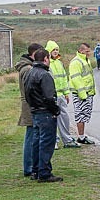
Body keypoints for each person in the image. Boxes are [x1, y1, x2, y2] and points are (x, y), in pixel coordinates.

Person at [23, 49, 63, 183]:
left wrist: (33, 107)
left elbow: (27, 94)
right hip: (45, 112)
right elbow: (49, 97)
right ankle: (44, 172)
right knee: (46, 143)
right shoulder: (44, 75)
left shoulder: (30, 73)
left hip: (35, 111)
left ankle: (36, 170)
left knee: (37, 142)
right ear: (46, 59)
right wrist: (55, 109)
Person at [45, 41, 80, 149]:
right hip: (53, 96)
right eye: (53, 50)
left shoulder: (59, 63)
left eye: (57, 50)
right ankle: (54, 141)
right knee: (52, 119)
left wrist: (66, 93)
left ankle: (67, 140)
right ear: (49, 51)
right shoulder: (47, 64)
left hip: (61, 96)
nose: (55, 52)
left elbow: (64, 79)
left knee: (64, 118)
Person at [16, 43, 43, 177]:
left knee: (32, 136)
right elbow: (30, 90)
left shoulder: (27, 67)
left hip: (30, 104)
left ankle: (31, 166)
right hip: (29, 105)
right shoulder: (27, 69)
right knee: (31, 137)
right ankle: (29, 167)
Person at [69, 42, 97, 145]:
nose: (89, 53)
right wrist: (83, 95)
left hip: (87, 93)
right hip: (81, 94)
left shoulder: (85, 60)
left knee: (85, 115)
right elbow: (77, 79)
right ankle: (80, 137)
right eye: (87, 51)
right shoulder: (76, 62)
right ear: (81, 51)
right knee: (80, 115)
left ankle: (82, 135)